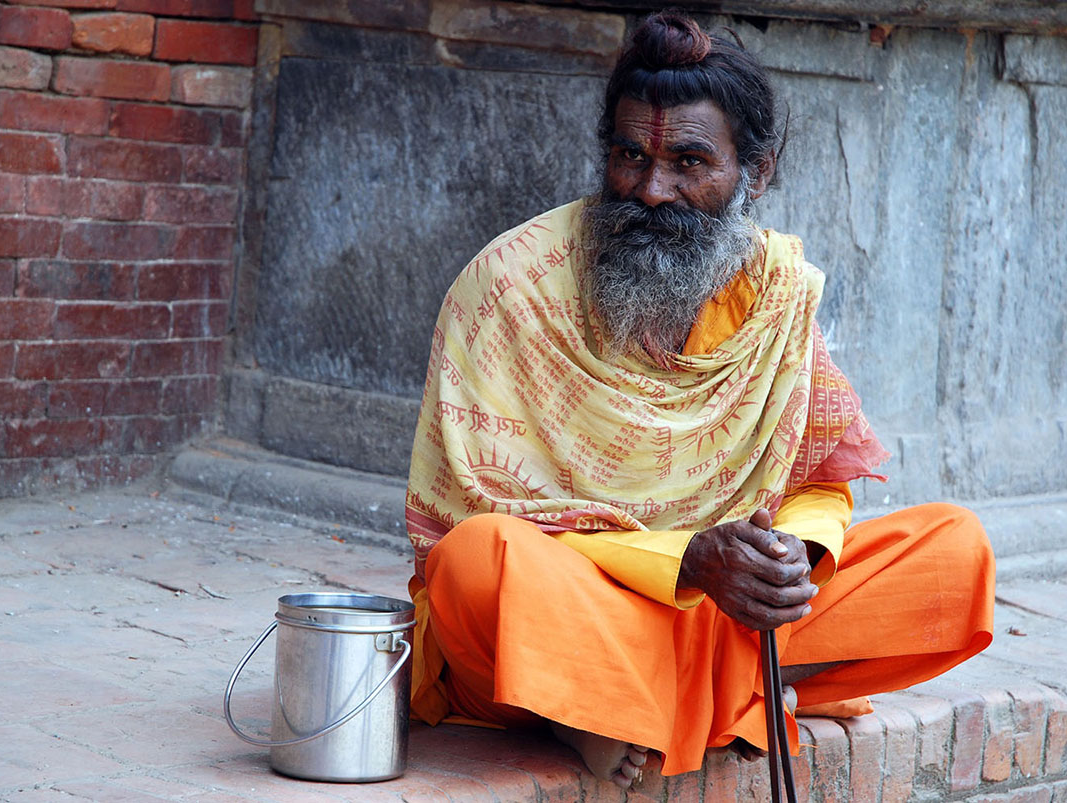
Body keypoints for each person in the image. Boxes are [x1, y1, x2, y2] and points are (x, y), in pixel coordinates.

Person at [404, 10, 995, 789]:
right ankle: (720, 694)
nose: (652, 190)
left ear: (756, 173)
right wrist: (685, 561)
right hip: (578, 603)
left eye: (689, 161)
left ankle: (626, 699)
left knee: (953, 551)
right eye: (629, 156)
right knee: (472, 565)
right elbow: (474, 515)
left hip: (723, 616)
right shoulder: (511, 286)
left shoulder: (774, 295)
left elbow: (820, 477)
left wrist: (790, 556)